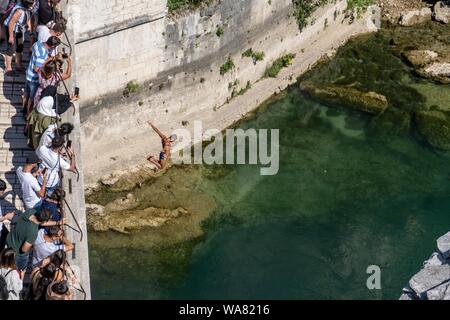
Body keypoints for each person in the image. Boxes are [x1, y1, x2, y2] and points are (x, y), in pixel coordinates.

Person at [24, 35, 60, 115]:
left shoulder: (38, 43)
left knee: (26, 94)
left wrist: (49, 58)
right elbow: (36, 69)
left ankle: (23, 109)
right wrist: (48, 60)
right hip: (34, 78)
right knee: (32, 98)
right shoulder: (42, 54)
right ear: (53, 46)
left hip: (28, 73)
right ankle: (27, 115)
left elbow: (31, 49)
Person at [3, 0, 34, 74]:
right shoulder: (19, 11)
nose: (34, 3)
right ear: (28, 4)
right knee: (11, 48)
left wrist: (29, 28)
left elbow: (28, 17)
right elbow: (11, 23)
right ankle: (8, 68)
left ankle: (18, 66)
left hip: (19, 29)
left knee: (20, 48)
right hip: (11, 29)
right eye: (33, 2)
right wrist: (11, 37)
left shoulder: (27, 8)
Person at [0, 179, 15, 250]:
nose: (2, 194)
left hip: (1, 225)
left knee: (7, 235)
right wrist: (6, 217)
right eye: (2, 192)